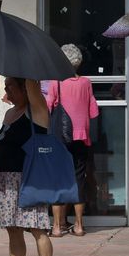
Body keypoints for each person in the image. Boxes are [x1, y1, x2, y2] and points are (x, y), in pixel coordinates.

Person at [0, 77, 56, 256]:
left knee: (38, 229)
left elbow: (34, 89)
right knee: (14, 231)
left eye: (10, 85)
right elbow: (3, 151)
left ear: (24, 88)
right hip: (6, 180)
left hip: (29, 178)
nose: (6, 89)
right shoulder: (10, 114)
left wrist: (26, 71)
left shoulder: (36, 110)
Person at [47, 44, 100, 238]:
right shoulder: (86, 83)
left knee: (59, 181)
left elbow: (48, 107)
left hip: (60, 138)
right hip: (81, 137)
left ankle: (57, 227)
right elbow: (93, 110)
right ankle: (78, 225)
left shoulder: (56, 83)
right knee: (79, 179)